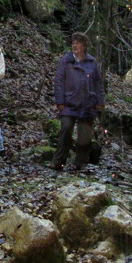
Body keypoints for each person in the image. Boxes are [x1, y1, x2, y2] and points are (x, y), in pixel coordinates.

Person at [50, 32, 105, 170]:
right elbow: (58, 82)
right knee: (66, 130)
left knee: (84, 136)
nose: (74, 45)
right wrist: (60, 101)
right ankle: (58, 161)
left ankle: (80, 163)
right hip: (68, 103)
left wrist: (100, 101)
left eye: (78, 42)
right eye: (73, 42)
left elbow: (98, 84)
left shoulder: (92, 62)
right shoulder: (65, 60)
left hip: (87, 105)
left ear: (85, 45)